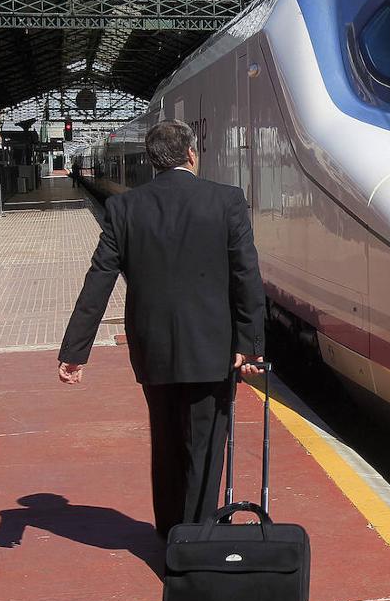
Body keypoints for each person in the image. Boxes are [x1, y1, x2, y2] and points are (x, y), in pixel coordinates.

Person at [56, 119, 267, 539]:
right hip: (212, 349)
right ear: (192, 153)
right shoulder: (226, 201)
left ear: (152, 162)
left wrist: (75, 351)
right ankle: (196, 539)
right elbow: (246, 276)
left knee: (167, 444)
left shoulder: (124, 208)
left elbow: (98, 279)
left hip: (153, 350)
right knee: (205, 448)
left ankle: (170, 536)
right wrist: (251, 343)